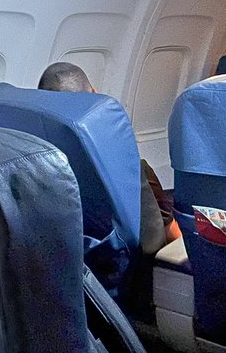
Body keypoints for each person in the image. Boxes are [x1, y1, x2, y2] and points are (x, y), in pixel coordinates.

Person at [38, 62, 180, 250]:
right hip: (126, 263)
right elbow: (172, 237)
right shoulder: (131, 170)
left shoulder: (33, 167)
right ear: (95, 96)